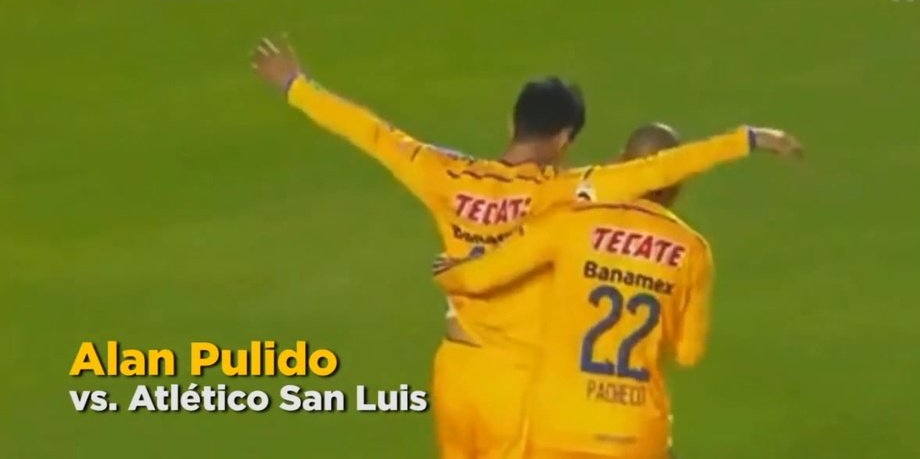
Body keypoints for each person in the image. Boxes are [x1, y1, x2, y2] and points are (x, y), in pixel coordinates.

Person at [250, 37, 802, 458]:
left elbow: (374, 134)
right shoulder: (563, 194)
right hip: (519, 388)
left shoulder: (446, 174)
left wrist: (297, 85)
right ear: (565, 140)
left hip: (455, 372)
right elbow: (652, 172)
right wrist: (746, 139)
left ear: (511, 121)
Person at [435, 124, 718, 459]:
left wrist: (455, 270)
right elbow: (688, 353)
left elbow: (483, 277)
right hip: (635, 432)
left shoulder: (572, 222)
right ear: (679, 185)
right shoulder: (691, 249)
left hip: (558, 426)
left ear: (619, 163)